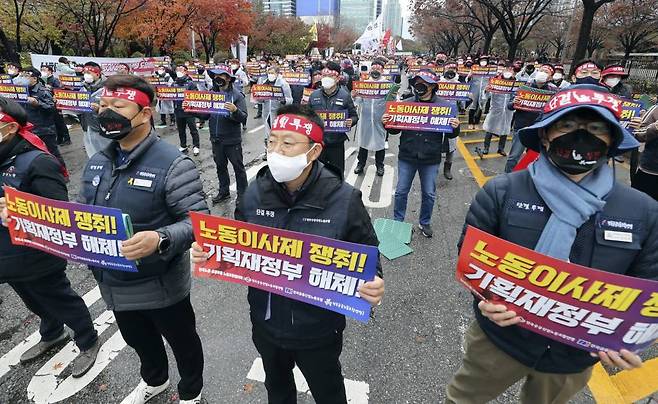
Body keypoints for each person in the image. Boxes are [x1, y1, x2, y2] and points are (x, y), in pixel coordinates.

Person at [446, 84, 655, 404]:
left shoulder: (644, 211)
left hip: (573, 358)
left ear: (612, 139)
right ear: (545, 135)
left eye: (596, 128)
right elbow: (471, 260)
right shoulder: (501, 192)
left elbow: (648, 287)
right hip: (500, 340)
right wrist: (486, 298)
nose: (581, 136)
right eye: (567, 125)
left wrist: (627, 339)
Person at [191, 103, 384, 404]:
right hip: (266, 324)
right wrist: (208, 253)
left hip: (318, 330)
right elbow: (237, 246)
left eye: (288, 143)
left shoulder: (344, 200)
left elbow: (368, 255)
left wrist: (373, 282)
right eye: (272, 140)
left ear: (314, 151)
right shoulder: (254, 193)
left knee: (329, 393)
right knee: (278, 391)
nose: (276, 150)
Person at [79, 74, 208, 404]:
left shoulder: (173, 164)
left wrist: (161, 238)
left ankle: (191, 391)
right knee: (139, 340)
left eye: (118, 106)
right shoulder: (97, 162)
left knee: (182, 341)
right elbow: (78, 214)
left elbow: (197, 222)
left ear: (146, 112)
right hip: (112, 280)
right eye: (103, 105)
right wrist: (28, 217)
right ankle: (155, 380)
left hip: (160, 283)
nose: (108, 113)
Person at [0, 97, 100, 378]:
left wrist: (17, 211)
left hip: (36, 253)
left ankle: (87, 338)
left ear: (9, 128)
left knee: (59, 298)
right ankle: (52, 333)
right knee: (32, 301)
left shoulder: (38, 161)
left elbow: (58, 213)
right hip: (6, 254)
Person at [383, 69, 461, 238]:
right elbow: (395, 130)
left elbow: (450, 134)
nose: (419, 86)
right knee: (402, 191)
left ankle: (424, 222)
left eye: (424, 83)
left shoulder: (445, 106)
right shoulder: (406, 104)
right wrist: (387, 124)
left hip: (430, 158)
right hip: (407, 155)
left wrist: (455, 127)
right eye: (417, 82)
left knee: (429, 193)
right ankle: (398, 222)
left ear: (432, 86)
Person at [206, 66, 248, 204]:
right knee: (220, 167)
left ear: (228, 79)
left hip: (232, 140)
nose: (217, 78)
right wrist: (190, 109)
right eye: (215, 76)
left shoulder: (237, 95)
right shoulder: (211, 94)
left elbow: (243, 117)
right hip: (216, 139)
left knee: (238, 168)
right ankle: (224, 192)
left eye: (221, 76)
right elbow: (204, 115)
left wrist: (235, 111)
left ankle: (243, 195)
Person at [504, 64, 557, 173]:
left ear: (550, 77)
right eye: (542, 70)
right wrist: (514, 103)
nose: (543, 73)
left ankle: (526, 178)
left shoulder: (554, 91)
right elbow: (509, 106)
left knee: (533, 158)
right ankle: (507, 177)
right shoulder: (524, 87)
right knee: (513, 157)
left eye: (546, 72)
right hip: (521, 127)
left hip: (539, 130)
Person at [308, 62, 358, 176]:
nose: (326, 79)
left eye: (330, 76)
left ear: (337, 78)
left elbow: (354, 116)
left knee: (337, 174)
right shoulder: (314, 95)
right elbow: (307, 115)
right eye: (324, 76)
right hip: (318, 143)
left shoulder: (344, 96)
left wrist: (351, 121)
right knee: (317, 174)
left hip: (336, 143)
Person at [15, 67, 67, 172]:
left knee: (52, 153)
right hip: (28, 130)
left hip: (44, 129)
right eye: (21, 75)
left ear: (34, 79)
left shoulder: (43, 91)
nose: (22, 78)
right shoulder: (19, 92)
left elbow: (52, 108)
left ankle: (62, 173)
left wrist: (37, 103)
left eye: (26, 76)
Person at [352, 61, 387, 176]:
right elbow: (358, 102)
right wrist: (354, 96)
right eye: (373, 68)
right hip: (366, 118)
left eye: (378, 68)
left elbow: (393, 102)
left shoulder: (387, 85)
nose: (375, 70)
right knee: (363, 142)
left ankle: (380, 165)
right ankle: (360, 164)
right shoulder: (364, 84)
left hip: (380, 119)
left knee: (380, 143)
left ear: (382, 70)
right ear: (370, 70)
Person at [480, 64, 516, 157]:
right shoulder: (495, 82)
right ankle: (486, 148)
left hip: (508, 111)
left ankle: (501, 149)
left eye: (511, 71)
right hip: (495, 109)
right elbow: (486, 97)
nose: (508, 72)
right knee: (490, 129)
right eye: (507, 70)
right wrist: (487, 90)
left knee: (505, 129)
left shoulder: (515, 84)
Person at [258, 65, 293, 158]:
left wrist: (283, 100)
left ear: (277, 74)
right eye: (269, 73)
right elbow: (259, 100)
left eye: (272, 73)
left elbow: (290, 99)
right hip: (266, 113)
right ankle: (268, 151)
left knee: (278, 133)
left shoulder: (283, 84)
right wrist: (259, 98)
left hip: (278, 113)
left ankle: (280, 151)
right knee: (267, 133)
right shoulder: (264, 83)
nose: (270, 75)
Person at [80, 62, 111, 158]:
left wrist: (99, 109)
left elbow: (116, 108)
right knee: (93, 155)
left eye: (89, 72)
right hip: (88, 126)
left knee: (109, 154)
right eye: (84, 72)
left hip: (106, 128)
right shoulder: (82, 88)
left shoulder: (109, 87)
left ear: (97, 74)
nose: (86, 75)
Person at [631, 102, 658, 200]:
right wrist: (655, 128)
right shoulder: (655, 109)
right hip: (650, 170)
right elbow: (637, 133)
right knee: (638, 203)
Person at [41, 65, 72, 147]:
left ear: (50, 71)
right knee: (55, 122)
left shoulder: (54, 80)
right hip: (49, 103)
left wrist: (54, 92)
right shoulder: (43, 80)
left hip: (56, 103)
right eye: (42, 70)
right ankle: (59, 139)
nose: (43, 71)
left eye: (44, 70)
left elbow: (60, 90)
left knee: (60, 122)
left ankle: (67, 138)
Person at [173, 65, 201, 156]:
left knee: (193, 130)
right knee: (181, 130)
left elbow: (196, 96)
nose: (179, 71)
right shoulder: (174, 84)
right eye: (177, 69)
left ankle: (196, 146)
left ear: (186, 72)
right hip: (178, 110)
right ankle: (183, 145)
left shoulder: (191, 84)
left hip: (189, 111)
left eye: (181, 69)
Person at [467, 55, 491, 130]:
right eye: (482, 60)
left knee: (480, 106)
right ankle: (470, 122)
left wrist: (489, 86)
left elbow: (492, 80)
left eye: (485, 60)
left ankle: (476, 122)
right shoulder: (474, 69)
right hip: (474, 89)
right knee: (472, 106)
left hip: (484, 91)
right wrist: (470, 76)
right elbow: (467, 79)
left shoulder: (490, 70)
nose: (483, 62)